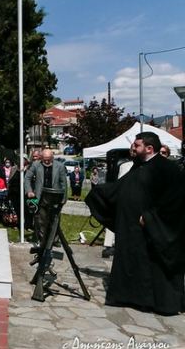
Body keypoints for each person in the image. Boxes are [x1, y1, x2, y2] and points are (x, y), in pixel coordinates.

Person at [86, 132, 185, 315]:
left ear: (149, 148)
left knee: (153, 268)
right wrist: (98, 194)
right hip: (131, 229)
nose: (133, 147)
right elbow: (121, 188)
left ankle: (156, 303)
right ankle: (131, 298)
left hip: (154, 229)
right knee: (132, 263)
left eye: (137, 145)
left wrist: (150, 217)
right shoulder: (138, 166)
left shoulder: (166, 169)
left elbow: (175, 200)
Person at [24, 149, 67, 244]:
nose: (46, 161)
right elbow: (27, 178)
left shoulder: (60, 166)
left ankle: (54, 240)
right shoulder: (36, 165)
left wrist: (64, 198)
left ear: (52, 158)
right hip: (40, 196)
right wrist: (29, 191)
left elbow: (63, 183)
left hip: (55, 196)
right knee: (41, 220)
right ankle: (43, 240)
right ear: (41, 158)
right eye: (44, 159)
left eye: (48, 159)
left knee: (54, 219)